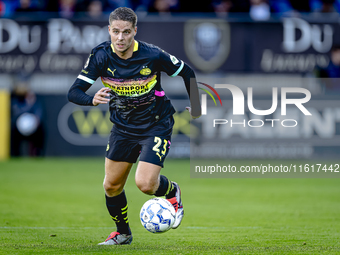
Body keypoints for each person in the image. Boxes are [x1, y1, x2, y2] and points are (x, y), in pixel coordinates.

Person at [67, 7, 201, 245]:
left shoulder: (152, 55)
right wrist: (91, 99)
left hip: (156, 124)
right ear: (109, 30)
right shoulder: (100, 56)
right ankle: (123, 233)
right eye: (116, 31)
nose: (120, 38)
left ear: (134, 32)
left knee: (146, 184)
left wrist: (197, 106)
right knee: (111, 185)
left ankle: (172, 192)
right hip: (122, 127)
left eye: (126, 32)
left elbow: (187, 72)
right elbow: (74, 92)